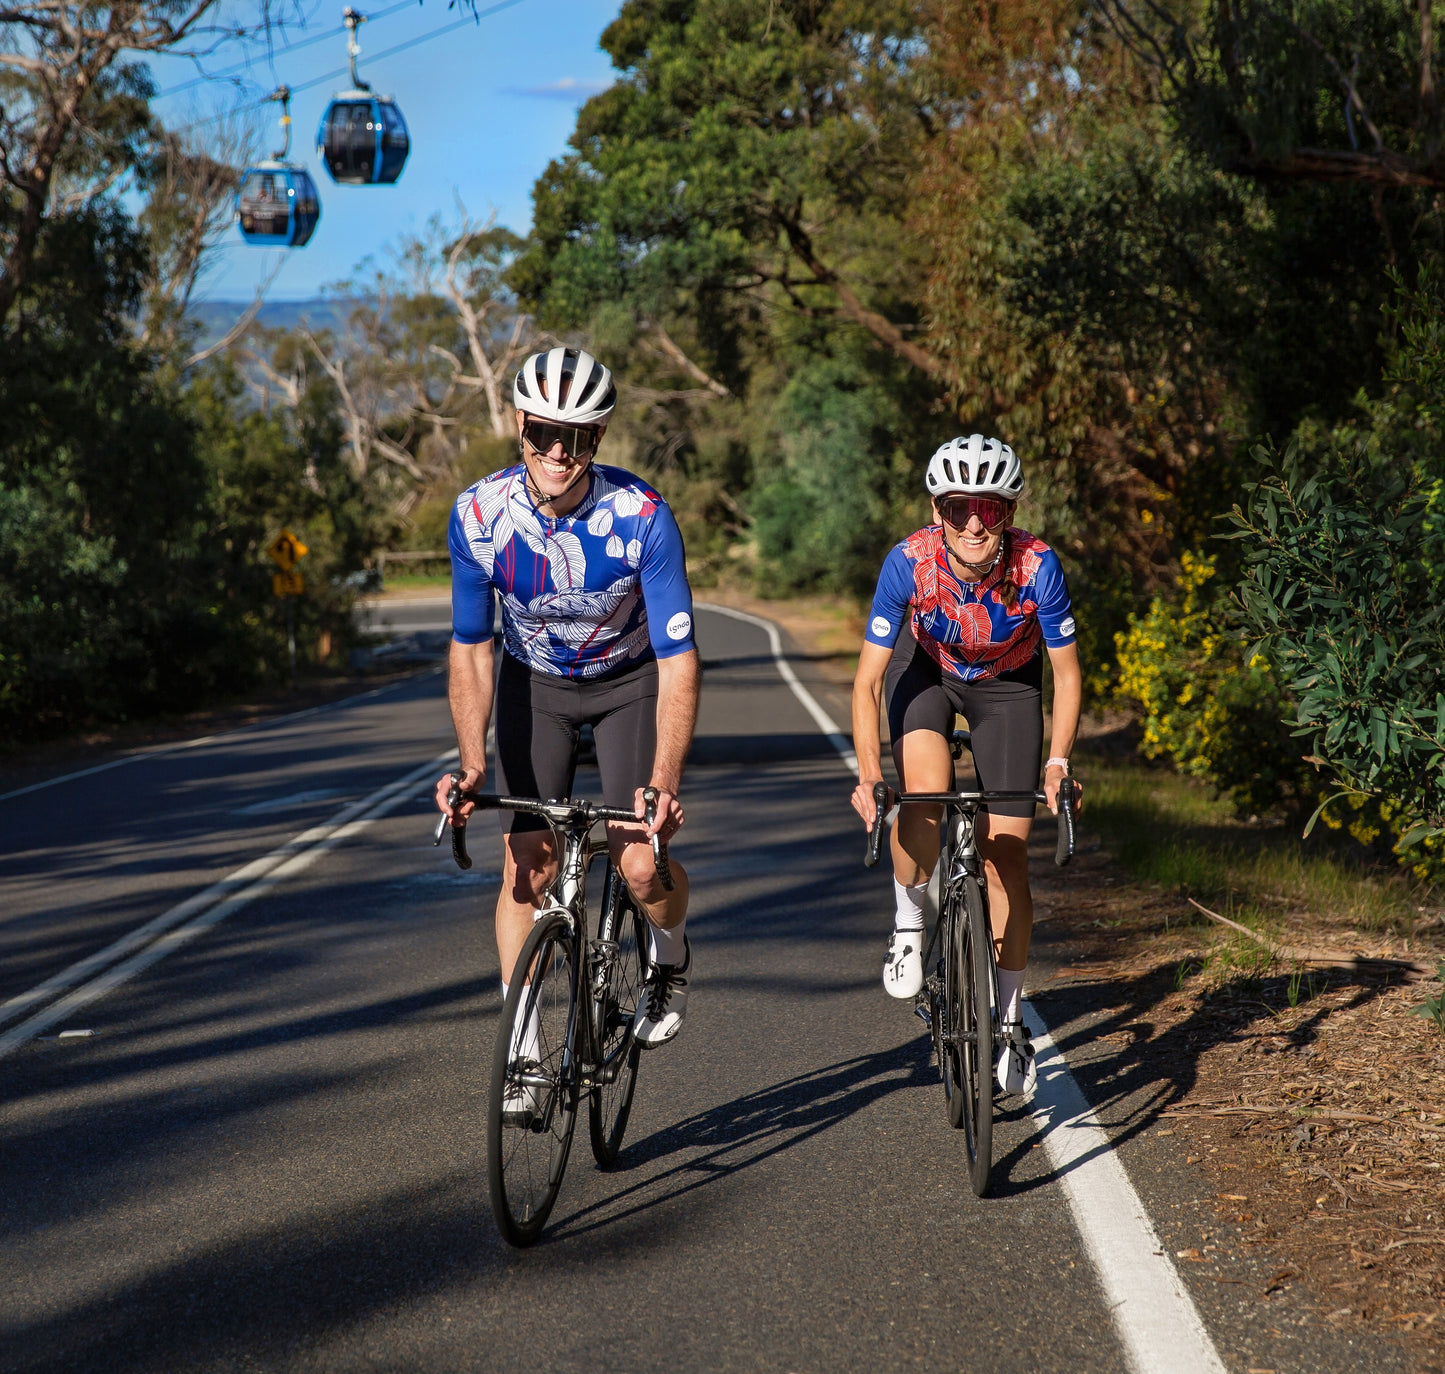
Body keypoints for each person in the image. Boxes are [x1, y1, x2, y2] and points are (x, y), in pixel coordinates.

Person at [434, 347, 701, 1111]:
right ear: (519, 423)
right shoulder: (478, 517)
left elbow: (680, 662)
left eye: (579, 438)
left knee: (641, 864)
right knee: (527, 867)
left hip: (630, 683)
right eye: (546, 432)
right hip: (533, 687)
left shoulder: (642, 517)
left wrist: (664, 785)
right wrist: (471, 765)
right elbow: (471, 648)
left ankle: (668, 954)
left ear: (600, 439)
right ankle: (520, 1055)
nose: (560, 452)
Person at [849, 434, 1083, 1097]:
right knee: (923, 796)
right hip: (924, 674)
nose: (974, 522)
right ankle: (908, 921)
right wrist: (869, 777)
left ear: (1009, 510)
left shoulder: (1038, 567)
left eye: (989, 506)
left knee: (1005, 853)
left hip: (1008, 687)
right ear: (936, 510)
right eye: (957, 508)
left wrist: (1058, 761)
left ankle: (1007, 1020)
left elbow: (1064, 676)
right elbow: (867, 683)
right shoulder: (907, 563)